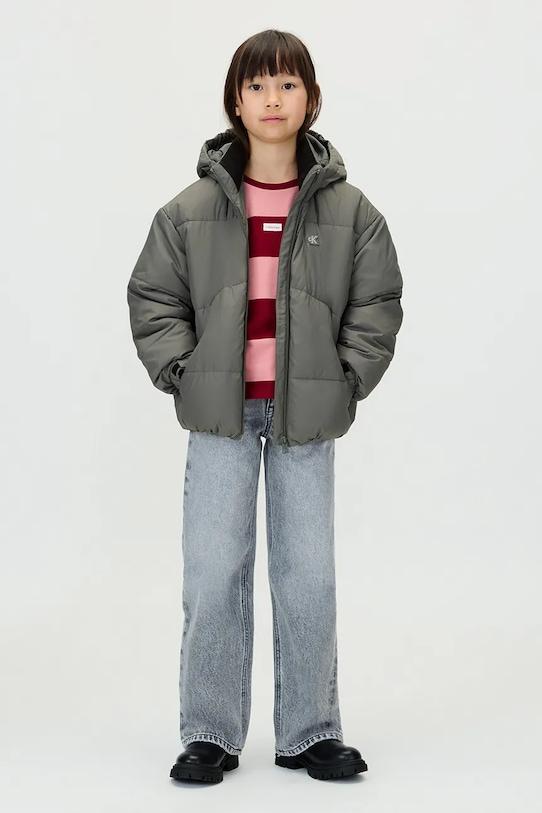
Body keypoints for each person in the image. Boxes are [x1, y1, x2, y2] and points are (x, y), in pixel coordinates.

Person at [127, 29, 403, 784]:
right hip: (220, 417)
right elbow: (153, 294)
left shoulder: (351, 212)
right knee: (214, 573)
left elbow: (377, 301)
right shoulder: (189, 211)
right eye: (256, 85)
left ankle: (311, 731)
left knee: (307, 575)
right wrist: (184, 373)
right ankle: (209, 731)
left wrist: (345, 379)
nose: (272, 99)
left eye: (287, 84)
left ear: (311, 99)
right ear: (235, 101)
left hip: (304, 420)